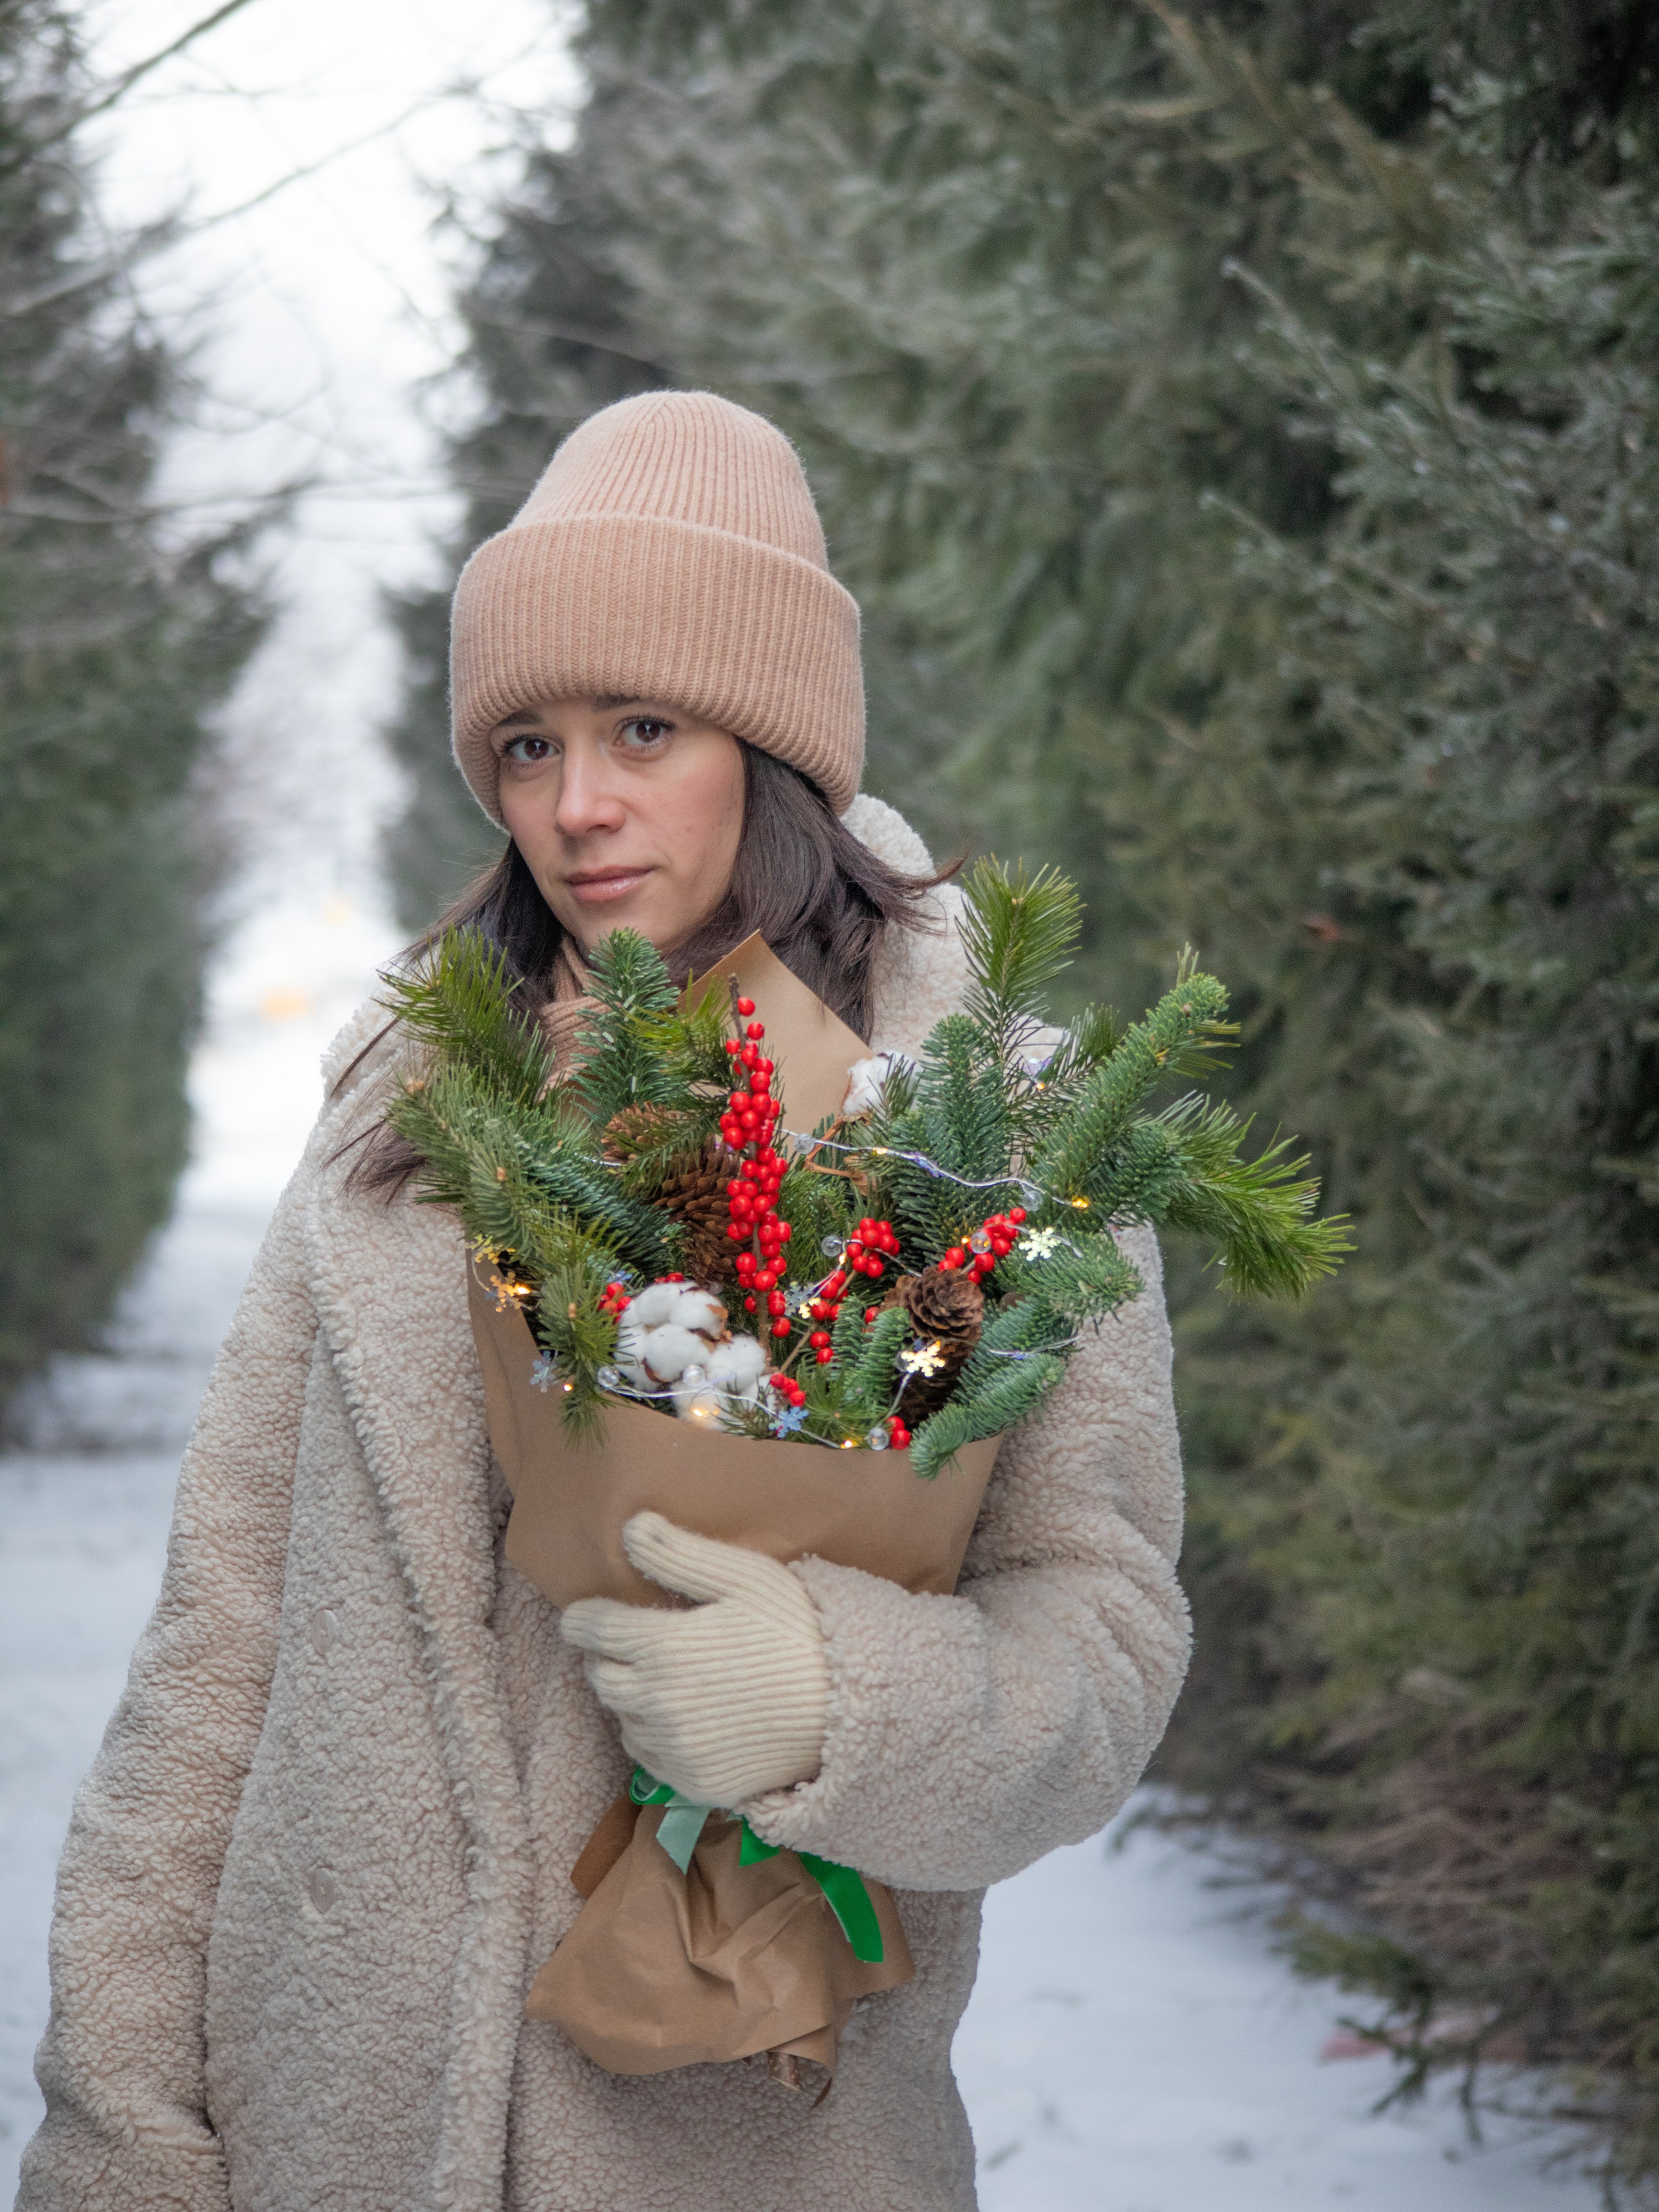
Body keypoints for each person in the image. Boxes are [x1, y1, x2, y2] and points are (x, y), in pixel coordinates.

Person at [16, 391, 1190, 2212]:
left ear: (774, 745)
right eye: (528, 744)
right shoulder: (401, 1115)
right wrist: (116, 2128)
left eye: (644, 728)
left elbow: (1102, 1641)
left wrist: (831, 1698)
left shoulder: (992, 1141)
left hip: (742, 2150)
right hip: (320, 2129)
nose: (578, 805)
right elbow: (216, 1652)